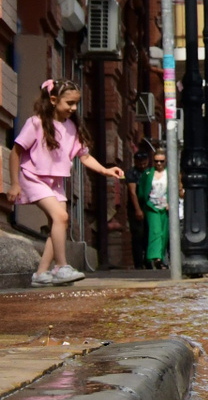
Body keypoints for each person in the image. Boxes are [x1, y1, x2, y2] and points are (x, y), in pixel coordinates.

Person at [8, 78, 125, 286]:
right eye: (69, 103)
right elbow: (15, 152)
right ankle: (61, 266)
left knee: (59, 222)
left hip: (55, 182)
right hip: (32, 177)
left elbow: (84, 156)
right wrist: (15, 183)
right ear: (53, 100)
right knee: (61, 216)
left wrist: (106, 170)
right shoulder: (35, 123)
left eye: (76, 103)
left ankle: (41, 274)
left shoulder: (72, 127)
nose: (73, 108)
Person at [137, 149, 169, 269]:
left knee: (164, 233)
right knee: (156, 232)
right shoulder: (147, 173)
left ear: (165, 161)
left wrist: (170, 203)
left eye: (161, 161)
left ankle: (160, 257)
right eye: (156, 161)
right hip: (152, 206)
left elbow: (175, 188)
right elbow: (141, 190)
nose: (159, 163)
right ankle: (156, 258)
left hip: (165, 207)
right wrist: (144, 203)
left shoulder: (169, 173)